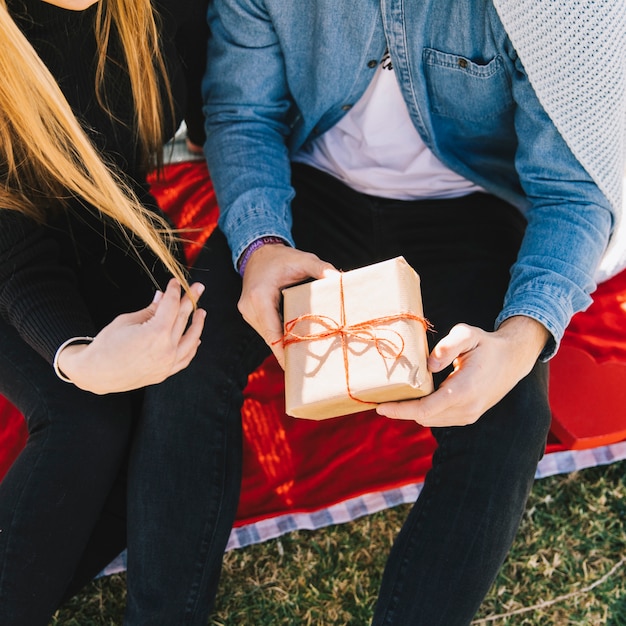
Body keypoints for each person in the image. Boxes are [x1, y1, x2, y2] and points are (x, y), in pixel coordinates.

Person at [200, 0, 626, 624]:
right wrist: (261, 242)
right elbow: (241, 112)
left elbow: (572, 187)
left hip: (471, 203)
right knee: (189, 357)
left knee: (508, 412)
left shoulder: (559, 10)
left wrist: (525, 333)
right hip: (309, 189)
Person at [0, 1, 236, 624]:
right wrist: (76, 358)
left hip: (109, 212)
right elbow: (13, 251)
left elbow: (226, 107)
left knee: (177, 386)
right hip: (6, 240)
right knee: (86, 420)